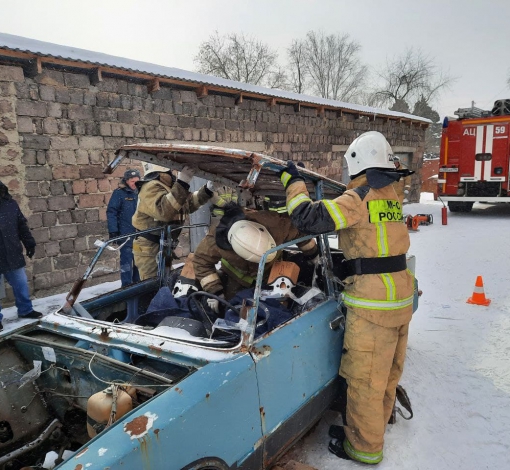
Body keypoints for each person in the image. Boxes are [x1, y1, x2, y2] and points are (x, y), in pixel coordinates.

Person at [279, 131, 414, 465]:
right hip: (398, 296)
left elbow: (306, 218)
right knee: (386, 374)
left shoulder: (359, 197)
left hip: (372, 303)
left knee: (365, 379)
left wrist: (292, 180)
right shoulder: (391, 193)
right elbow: (374, 241)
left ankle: (363, 448)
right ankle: (373, 429)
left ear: (356, 163)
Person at [193, 203, 318, 311]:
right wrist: (215, 292)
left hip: (269, 276)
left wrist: (314, 256)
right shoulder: (215, 239)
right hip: (233, 280)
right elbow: (201, 260)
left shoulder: (279, 225)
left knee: (274, 308)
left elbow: (300, 233)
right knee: (234, 309)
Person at [132, 166, 215, 280]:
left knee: (164, 281)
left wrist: (207, 190)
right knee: (152, 285)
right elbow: (164, 212)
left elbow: (187, 205)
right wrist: (182, 183)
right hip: (150, 248)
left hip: (163, 245)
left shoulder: (167, 186)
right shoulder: (150, 186)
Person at [0, 181, 42, 331]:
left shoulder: (10, 205)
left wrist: (29, 243)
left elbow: (21, 225)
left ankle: (25, 310)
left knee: (21, 283)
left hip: (11, 252)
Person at [106, 169, 141, 287]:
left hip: (140, 235)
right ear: (126, 181)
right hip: (125, 234)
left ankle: (138, 285)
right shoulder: (119, 193)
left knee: (139, 262)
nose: (134, 184)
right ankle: (126, 287)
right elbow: (111, 212)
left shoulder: (141, 192)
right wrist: (113, 230)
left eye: (137, 181)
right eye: (132, 181)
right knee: (126, 263)